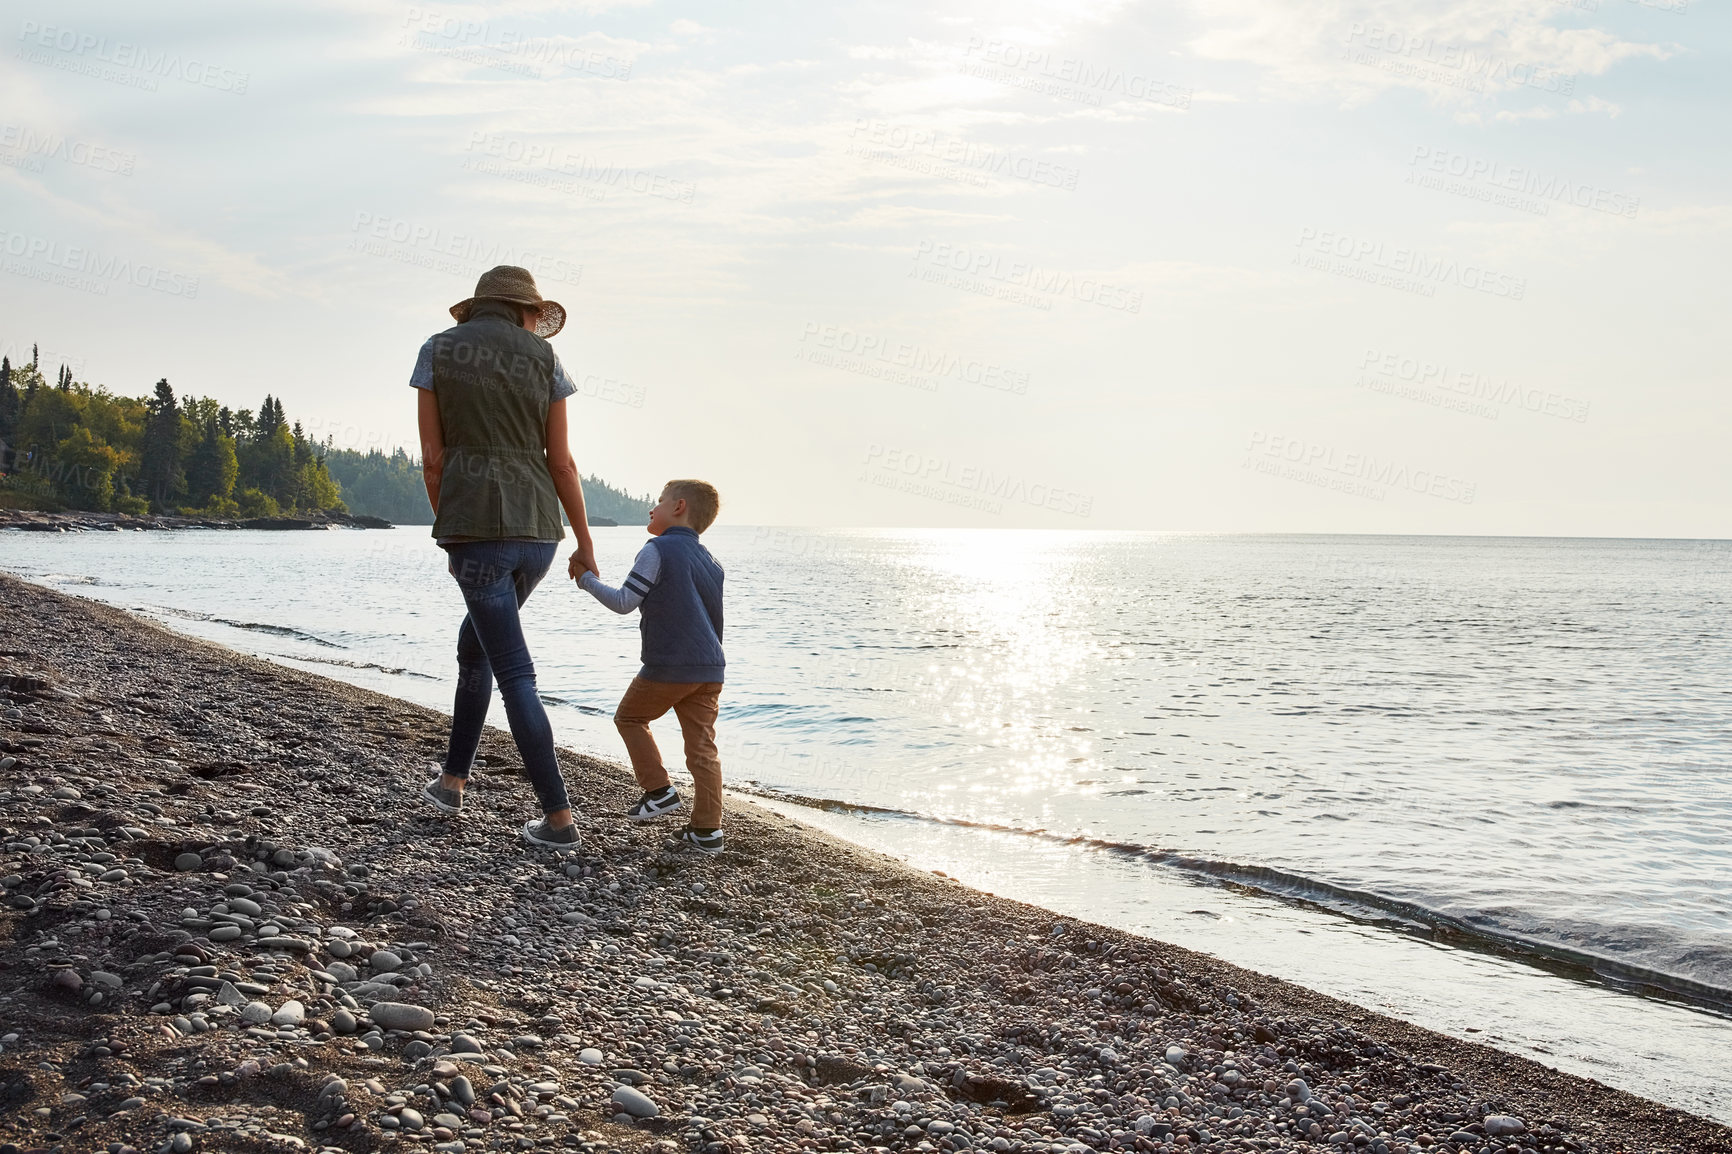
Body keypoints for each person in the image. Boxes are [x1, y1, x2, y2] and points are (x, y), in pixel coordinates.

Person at [412, 265, 598, 849]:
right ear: (526, 311)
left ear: (478, 307)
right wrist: (585, 541)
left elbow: (433, 459)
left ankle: (559, 819)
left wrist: (450, 528)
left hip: (475, 531)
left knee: (513, 670)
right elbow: (562, 462)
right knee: (478, 648)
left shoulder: (438, 350)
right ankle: (451, 781)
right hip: (540, 533)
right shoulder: (543, 360)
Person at [574, 479, 727, 855]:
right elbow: (714, 621)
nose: (651, 508)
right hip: (709, 668)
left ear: (678, 508)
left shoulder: (657, 549)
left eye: (658, 502)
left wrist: (586, 580)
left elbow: (625, 601)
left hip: (668, 663)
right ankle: (707, 832)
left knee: (629, 718)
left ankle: (658, 790)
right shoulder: (711, 561)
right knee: (703, 750)